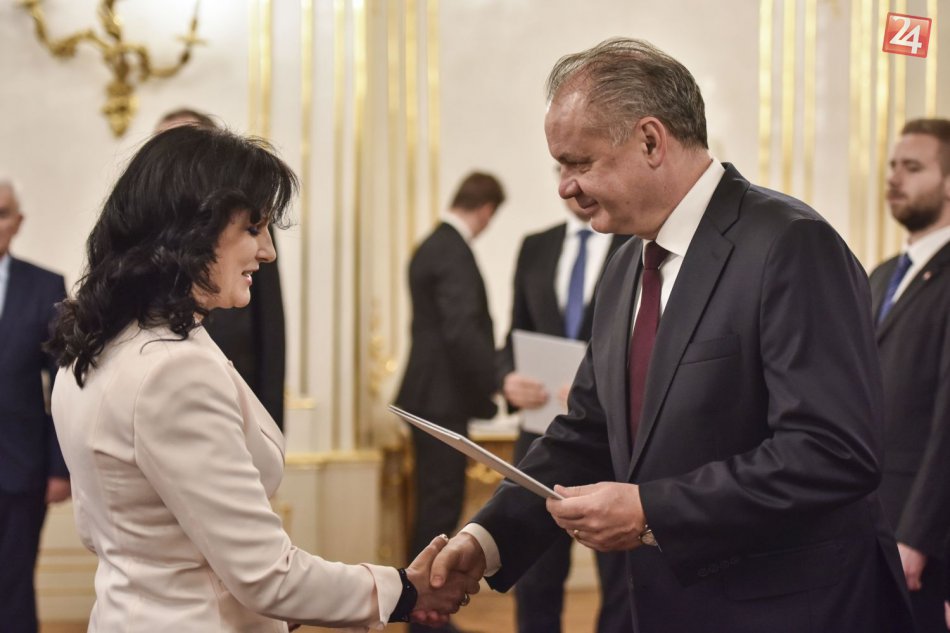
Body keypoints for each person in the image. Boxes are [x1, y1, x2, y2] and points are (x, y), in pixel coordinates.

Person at [429, 37, 915, 633]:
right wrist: (486, 540)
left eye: (579, 163)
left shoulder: (789, 243)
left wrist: (650, 510)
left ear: (651, 141)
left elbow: (833, 451)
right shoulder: (625, 266)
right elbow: (587, 431)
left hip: (788, 611)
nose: (564, 187)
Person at [46, 125, 476, 631]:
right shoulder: (172, 371)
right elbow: (267, 576)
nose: (268, 251)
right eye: (253, 229)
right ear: (191, 229)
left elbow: (107, 530)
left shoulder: (96, 345)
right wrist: (406, 589)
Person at [497, 193, 630, 633]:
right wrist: (507, 380)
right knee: (536, 577)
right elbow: (513, 335)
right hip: (540, 435)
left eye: (583, 165)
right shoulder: (536, 245)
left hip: (613, 443)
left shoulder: (635, 241)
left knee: (622, 582)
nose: (573, 186)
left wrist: (600, 385)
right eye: (562, 169)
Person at [394, 171, 504, 633]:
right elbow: (462, 332)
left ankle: (421, 610)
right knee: (440, 508)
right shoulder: (454, 251)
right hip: (442, 398)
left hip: (426, 395)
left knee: (432, 505)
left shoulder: (431, 245)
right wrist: (495, 382)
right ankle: (426, 615)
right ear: (487, 210)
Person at [154, 108, 288, 429]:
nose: (266, 252)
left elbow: (270, 328)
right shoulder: (143, 235)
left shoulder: (248, 231)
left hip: (237, 398)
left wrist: (270, 420)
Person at [872, 118, 950, 633]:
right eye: (892, 166)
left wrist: (917, 537)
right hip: (868, 523)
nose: (894, 178)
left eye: (913, 168)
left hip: (921, 538)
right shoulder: (881, 275)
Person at [0, 181, 70, 633]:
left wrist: (61, 467)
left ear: (18, 222)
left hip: (19, 468)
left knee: (13, 589)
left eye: (1, 213)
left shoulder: (46, 286)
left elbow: (65, 380)